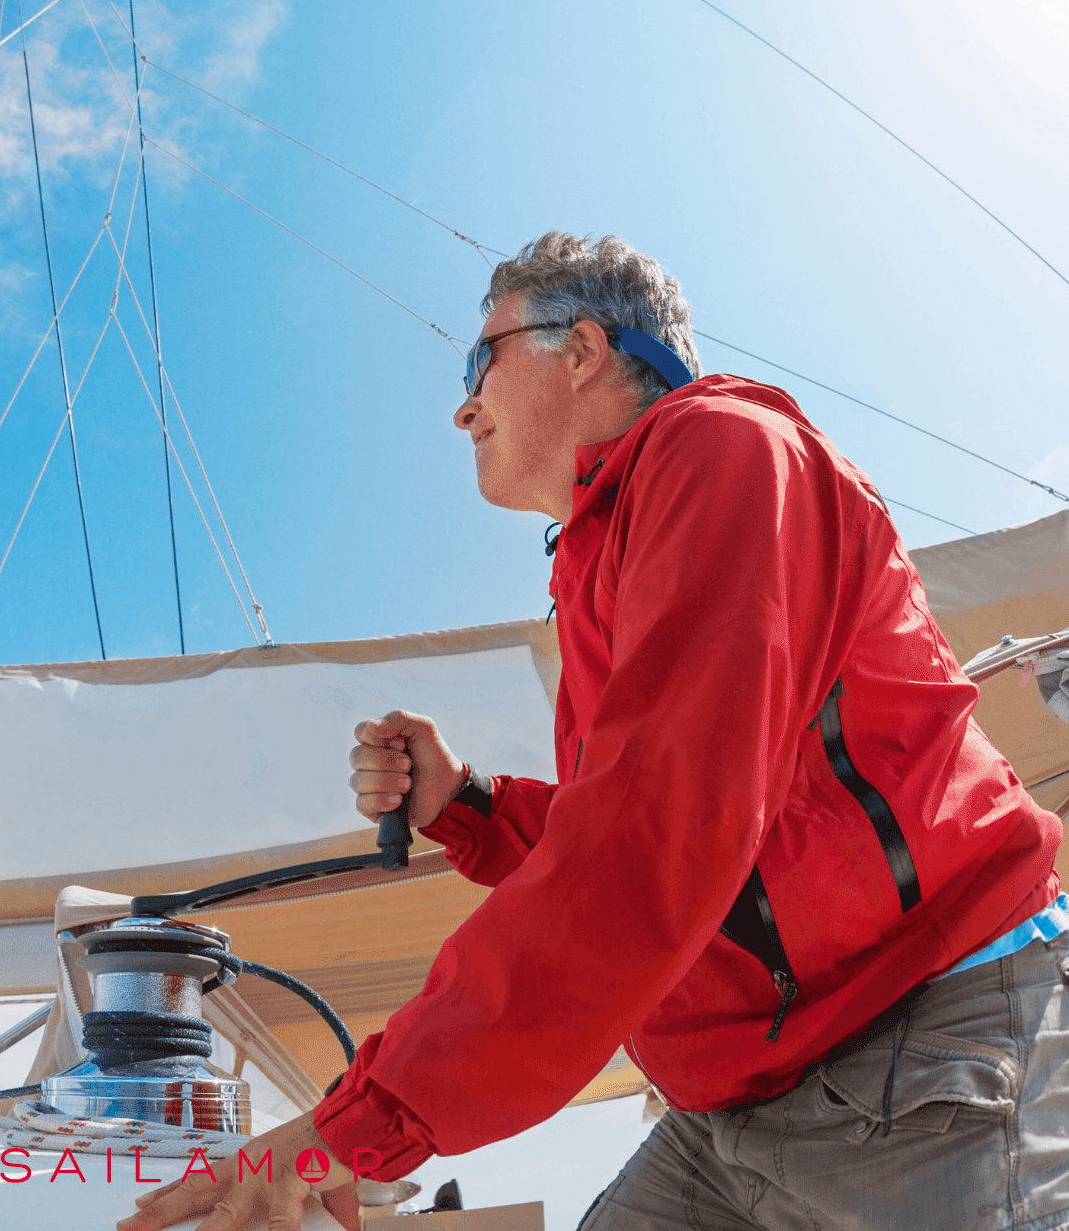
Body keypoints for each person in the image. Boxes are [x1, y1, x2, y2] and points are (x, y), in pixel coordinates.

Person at [119, 232, 1068, 1231]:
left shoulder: (727, 452)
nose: (463, 405)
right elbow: (688, 833)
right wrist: (470, 808)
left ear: (580, 350)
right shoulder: (599, 549)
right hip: (738, 1098)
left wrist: (363, 1123)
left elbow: (657, 836)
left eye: (477, 358)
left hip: (915, 1045)